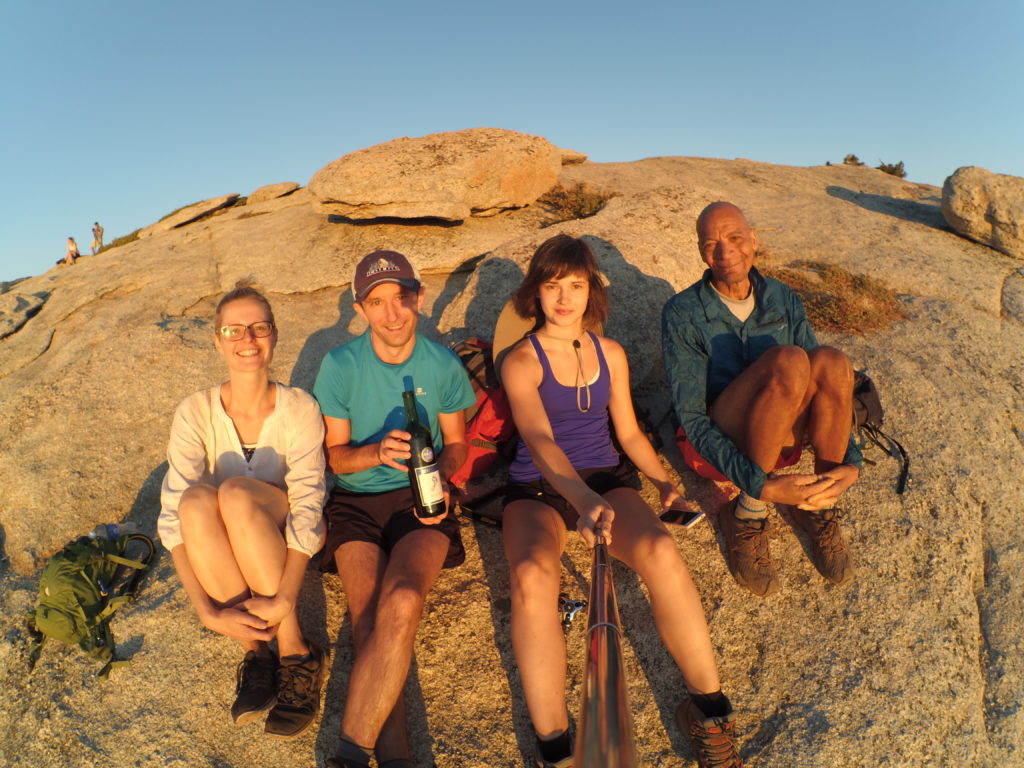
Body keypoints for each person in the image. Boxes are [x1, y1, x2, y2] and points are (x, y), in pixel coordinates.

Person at [501, 234, 745, 768]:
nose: (564, 298)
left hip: (606, 479)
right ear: (535, 293)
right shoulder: (521, 360)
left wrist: (663, 483)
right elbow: (539, 441)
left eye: (576, 285)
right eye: (552, 286)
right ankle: (557, 748)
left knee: (660, 549)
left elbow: (629, 434)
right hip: (537, 489)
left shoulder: (610, 354)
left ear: (591, 291)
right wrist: (583, 500)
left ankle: (712, 712)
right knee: (533, 580)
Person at [315, 250, 475, 768]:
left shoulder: (442, 364)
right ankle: (396, 758)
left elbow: (457, 444)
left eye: (401, 298)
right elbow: (335, 458)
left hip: (418, 502)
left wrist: (443, 480)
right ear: (361, 309)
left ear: (419, 298)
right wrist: (375, 451)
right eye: (377, 302)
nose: (392, 313)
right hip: (356, 502)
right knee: (367, 620)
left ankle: (350, 756)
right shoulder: (339, 366)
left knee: (402, 598)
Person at [661, 201, 863, 597]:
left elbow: (827, 387)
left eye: (735, 238)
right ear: (701, 251)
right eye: (711, 244)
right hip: (719, 444)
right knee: (787, 359)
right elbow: (692, 418)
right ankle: (746, 513)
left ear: (754, 240)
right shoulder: (683, 312)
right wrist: (761, 486)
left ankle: (819, 502)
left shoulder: (782, 297)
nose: (725, 252)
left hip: (781, 434)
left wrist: (850, 462)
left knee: (833, 362)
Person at [158, 283, 328, 739]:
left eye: (258, 327)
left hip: (280, 520)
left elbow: (310, 500)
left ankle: (295, 651)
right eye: (233, 330)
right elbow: (173, 521)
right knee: (194, 500)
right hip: (228, 533)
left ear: (273, 335)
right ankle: (256, 649)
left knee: (233, 492)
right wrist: (205, 611)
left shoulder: (299, 407)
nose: (246, 339)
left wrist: (288, 594)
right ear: (217, 340)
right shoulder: (195, 411)